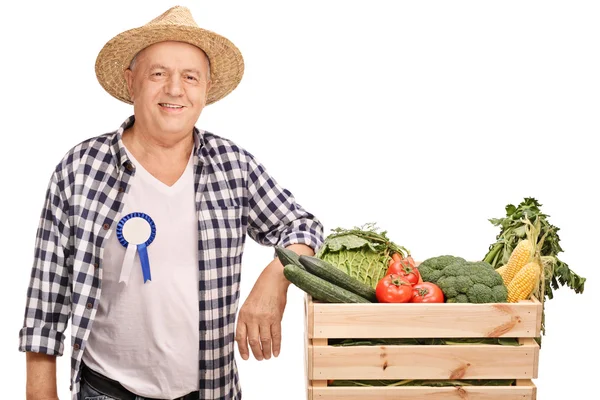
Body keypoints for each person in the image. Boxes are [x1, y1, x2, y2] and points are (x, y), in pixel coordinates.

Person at [18, 6, 324, 400]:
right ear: (132, 82)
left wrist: (276, 276)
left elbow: (303, 226)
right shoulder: (79, 168)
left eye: (190, 77)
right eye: (158, 74)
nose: (175, 89)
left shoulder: (234, 166)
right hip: (104, 390)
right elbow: (47, 297)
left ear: (206, 88)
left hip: (209, 391)